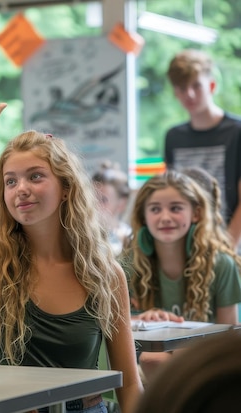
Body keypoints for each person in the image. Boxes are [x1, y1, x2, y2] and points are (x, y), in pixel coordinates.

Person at [0, 64, 142, 413]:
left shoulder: (105, 275)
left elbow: (129, 382)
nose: (21, 189)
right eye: (11, 181)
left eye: (35, 176)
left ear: (65, 189)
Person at [123, 170, 241, 384]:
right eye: (155, 209)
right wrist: (142, 318)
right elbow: (110, 324)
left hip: (210, 359)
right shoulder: (129, 264)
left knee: (168, 356)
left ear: (196, 213)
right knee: (153, 358)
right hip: (152, 362)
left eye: (176, 208)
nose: (165, 217)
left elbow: (229, 334)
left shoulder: (221, 263)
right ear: (143, 216)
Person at [164, 49, 241, 248]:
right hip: (187, 245)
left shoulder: (236, 131)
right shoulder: (173, 137)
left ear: (212, 85)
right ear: (175, 92)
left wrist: (227, 248)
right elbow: (171, 193)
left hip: (231, 245)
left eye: (196, 85)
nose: (189, 94)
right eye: (181, 88)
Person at [92, 160, 132, 256]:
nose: (95, 206)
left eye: (103, 200)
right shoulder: (83, 235)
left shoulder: (129, 237)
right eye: (92, 199)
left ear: (121, 204)